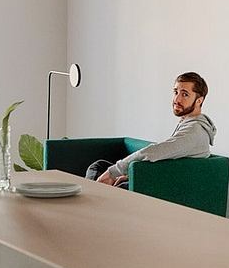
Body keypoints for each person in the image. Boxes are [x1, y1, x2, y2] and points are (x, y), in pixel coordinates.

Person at [86, 73, 216, 186]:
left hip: (167, 187)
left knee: (108, 175)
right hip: (160, 178)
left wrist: (112, 172)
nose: (177, 99)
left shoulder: (194, 131)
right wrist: (129, 175)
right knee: (99, 166)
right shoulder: (190, 123)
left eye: (185, 94)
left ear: (199, 100)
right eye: (176, 92)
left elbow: (153, 152)